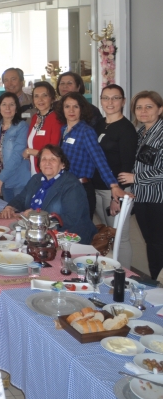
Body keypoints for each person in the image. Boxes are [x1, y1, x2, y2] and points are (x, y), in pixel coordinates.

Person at [0, 145, 96, 244]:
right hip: (37, 233)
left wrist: (37, 217)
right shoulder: (36, 179)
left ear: (62, 164)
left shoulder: (72, 186)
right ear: (40, 164)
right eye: (44, 159)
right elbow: (21, 198)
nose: (47, 163)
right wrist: (10, 207)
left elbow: (71, 219)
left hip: (67, 239)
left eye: (53, 159)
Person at [57, 91, 124, 218]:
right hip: (64, 186)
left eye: (76, 106)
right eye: (67, 106)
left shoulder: (86, 131)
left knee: (81, 232)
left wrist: (113, 185)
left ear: (82, 109)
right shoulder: (63, 130)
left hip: (80, 189)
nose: (71, 110)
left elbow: (99, 159)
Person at [118, 91, 163, 278]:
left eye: (149, 107)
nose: (143, 111)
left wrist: (135, 178)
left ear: (160, 109)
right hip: (142, 197)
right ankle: (155, 281)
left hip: (158, 199)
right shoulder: (141, 133)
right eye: (139, 107)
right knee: (151, 244)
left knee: (158, 245)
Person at [93, 84, 137, 267]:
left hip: (114, 191)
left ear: (123, 101)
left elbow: (127, 167)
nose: (110, 102)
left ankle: (123, 277)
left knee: (120, 236)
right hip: (97, 187)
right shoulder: (99, 124)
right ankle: (109, 268)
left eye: (115, 98)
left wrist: (116, 197)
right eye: (106, 98)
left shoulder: (126, 130)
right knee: (107, 231)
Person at [0, 93, 31, 202]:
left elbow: (17, 155)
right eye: (4, 104)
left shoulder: (22, 126)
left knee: (18, 213)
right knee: (8, 215)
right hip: (3, 180)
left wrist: (1, 178)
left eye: (11, 104)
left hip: (18, 179)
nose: (7, 108)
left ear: (16, 108)